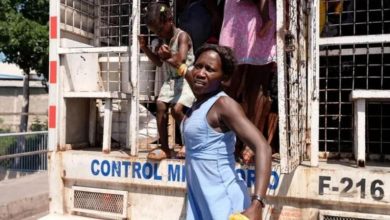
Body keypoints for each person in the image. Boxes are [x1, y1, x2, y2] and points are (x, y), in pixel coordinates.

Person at [181, 44, 272, 220]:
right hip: (200, 200)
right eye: (198, 66)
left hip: (224, 201)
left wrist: (257, 203)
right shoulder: (198, 103)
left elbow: (262, 147)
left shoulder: (224, 105)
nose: (200, 73)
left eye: (210, 69)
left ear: (225, 78)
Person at [219, 0, 277, 164]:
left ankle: (251, 144)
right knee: (230, 83)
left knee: (256, 86)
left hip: (255, 25)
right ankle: (229, 141)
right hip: (237, 23)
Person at [138, 2, 195, 160]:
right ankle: (165, 147)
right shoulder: (163, 40)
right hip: (171, 81)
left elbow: (180, 60)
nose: (159, 33)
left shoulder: (182, 36)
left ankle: (190, 143)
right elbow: (158, 62)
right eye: (155, 32)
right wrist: (145, 48)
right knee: (160, 105)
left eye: (160, 29)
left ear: (169, 19)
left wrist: (167, 56)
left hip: (187, 79)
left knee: (177, 110)